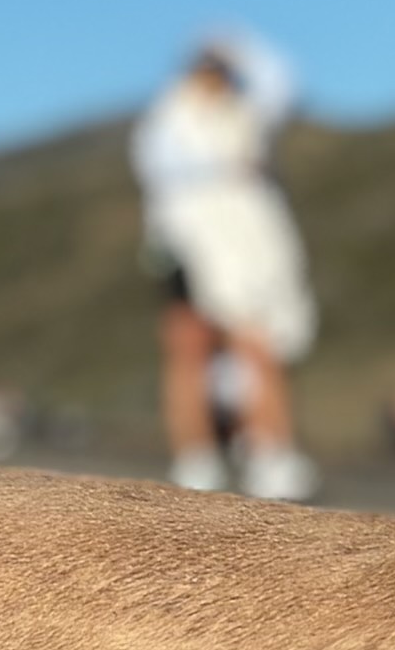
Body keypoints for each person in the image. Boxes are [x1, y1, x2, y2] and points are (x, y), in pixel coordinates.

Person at [132, 31, 319, 498]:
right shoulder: (165, 122)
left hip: (247, 251)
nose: (214, 78)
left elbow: (280, 79)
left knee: (256, 346)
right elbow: (161, 180)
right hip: (188, 245)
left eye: (222, 70)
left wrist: (232, 38)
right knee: (189, 346)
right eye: (207, 68)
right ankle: (196, 457)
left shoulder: (245, 116)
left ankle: (269, 453)